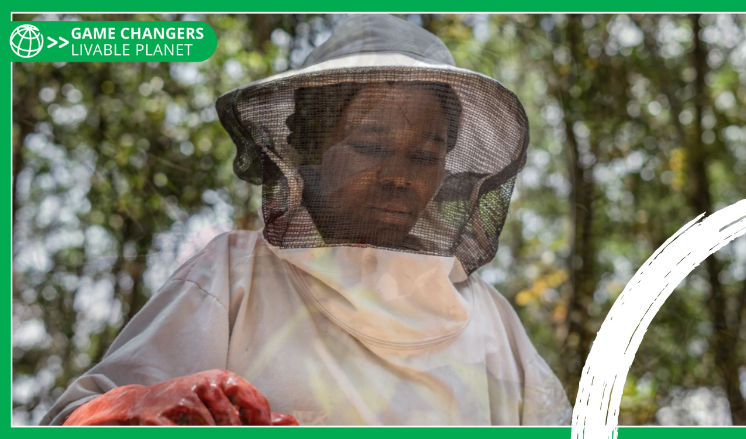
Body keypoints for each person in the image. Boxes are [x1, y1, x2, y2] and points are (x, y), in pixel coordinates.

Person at [42, 14, 572, 426]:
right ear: (310, 147)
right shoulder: (233, 272)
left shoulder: (490, 318)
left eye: (424, 155)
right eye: (369, 145)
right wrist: (143, 403)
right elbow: (74, 418)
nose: (400, 178)